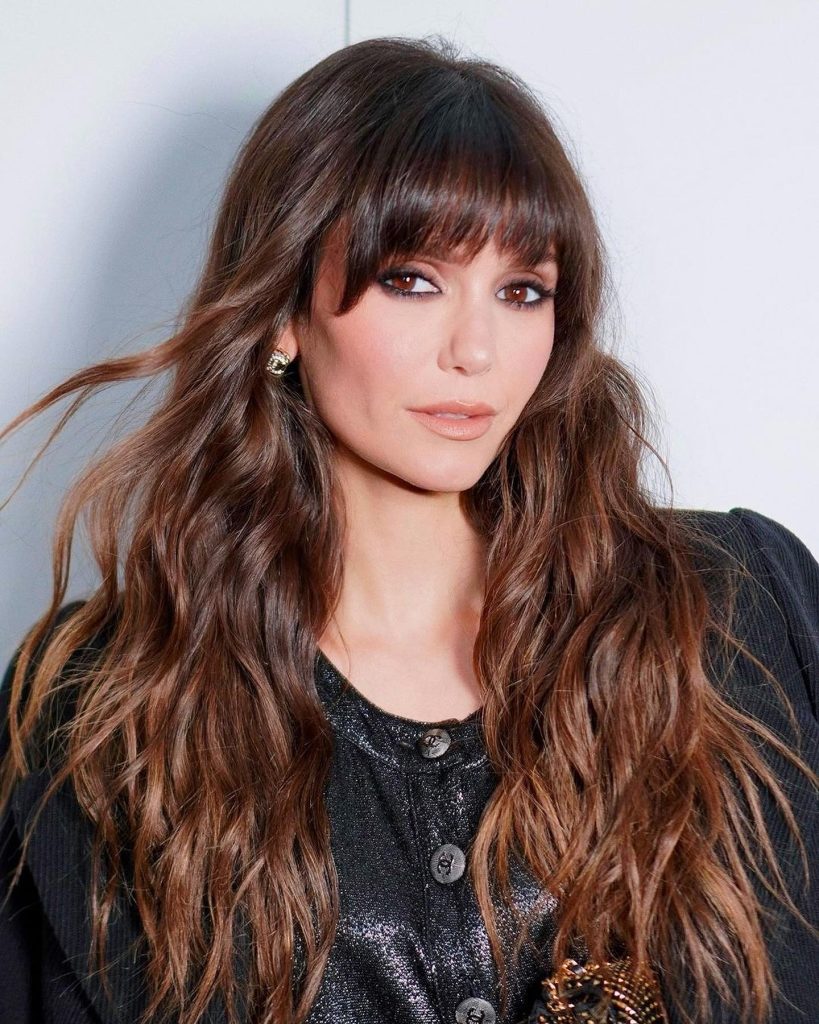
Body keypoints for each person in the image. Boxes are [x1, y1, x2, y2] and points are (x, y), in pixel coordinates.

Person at [0, 33, 816, 1024]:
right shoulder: (109, 706)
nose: (476, 350)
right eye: (412, 280)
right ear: (283, 312)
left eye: (522, 291)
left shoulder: (739, 612)